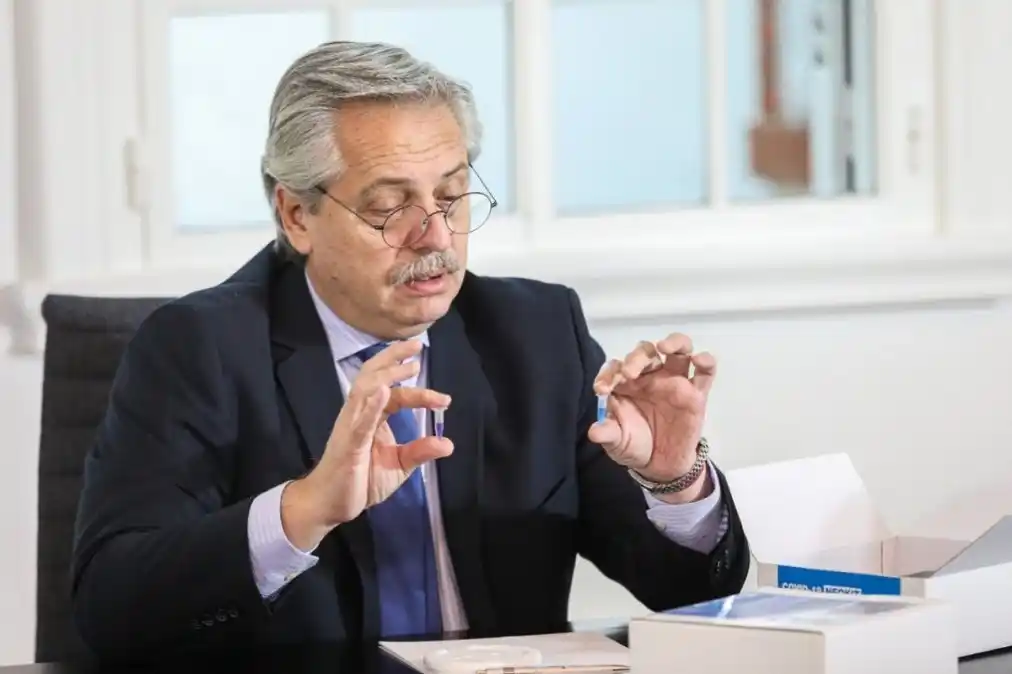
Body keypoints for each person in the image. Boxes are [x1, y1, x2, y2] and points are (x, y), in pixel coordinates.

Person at [71, 40, 750, 659]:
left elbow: (684, 593)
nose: (435, 236)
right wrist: (301, 510)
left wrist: (674, 481)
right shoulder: (199, 350)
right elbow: (110, 607)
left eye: (453, 196)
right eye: (390, 207)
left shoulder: (537, 334)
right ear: (297, 215)